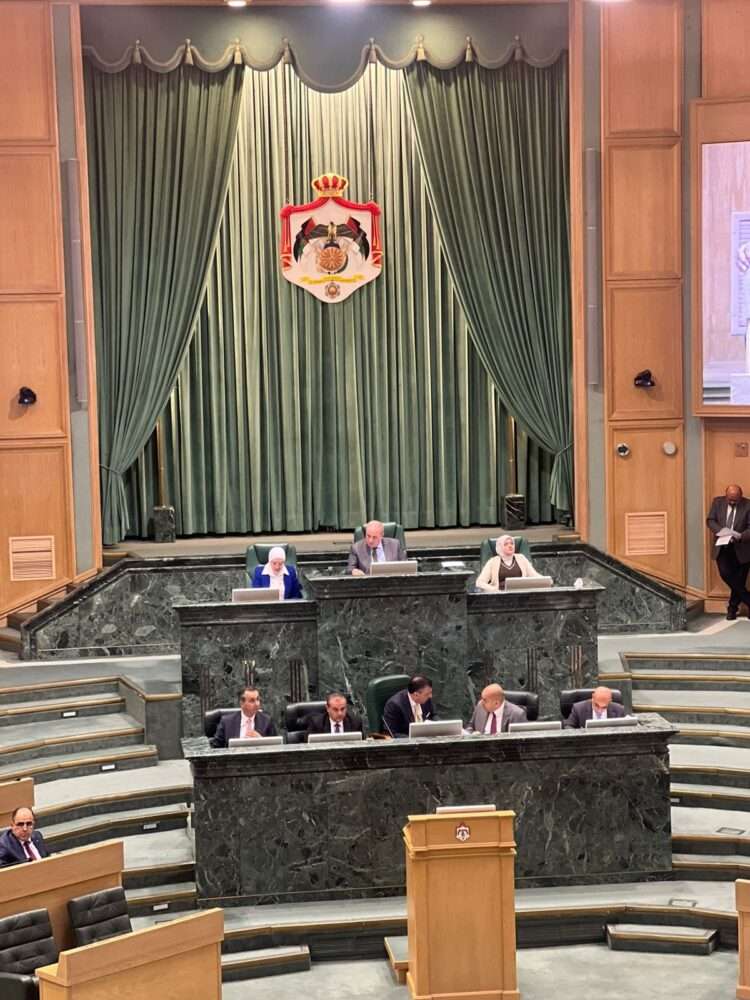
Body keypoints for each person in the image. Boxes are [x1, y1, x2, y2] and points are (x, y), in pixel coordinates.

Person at [706, 484, 750, 620]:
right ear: (726, 495)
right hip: (723, 547)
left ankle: (732, 609)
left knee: (740, 579)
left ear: (740, 496)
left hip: (742, 548)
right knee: (726, 574)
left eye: (735, 500)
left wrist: (740, 536)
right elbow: (710, 520)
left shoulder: (748, 505)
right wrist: (720, 531)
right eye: (730, 499)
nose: (732, 502)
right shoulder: (717, 502)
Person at [210, 687, 278, 747]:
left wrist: (261, 741)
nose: (257, 704)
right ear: (242, 703)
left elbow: (276, 747)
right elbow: (215, 747)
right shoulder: (226, 722)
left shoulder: (267, 721)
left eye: (257, 699)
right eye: (252, 701)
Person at [475, 535, 543, 592]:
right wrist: (494, 590)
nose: (510, 546)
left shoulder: (521, 558)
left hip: (521, 594)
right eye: (506, 544)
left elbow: (534, 576)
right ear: (500, 547)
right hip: (499, 596)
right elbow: (479, 582)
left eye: (512, 543)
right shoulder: (492, 562)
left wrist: (546, 581)